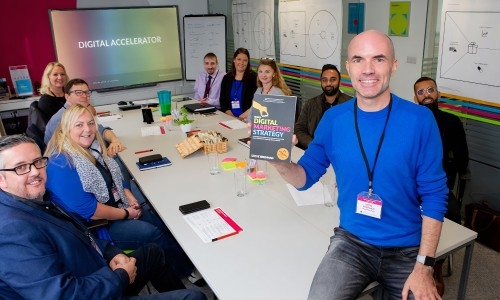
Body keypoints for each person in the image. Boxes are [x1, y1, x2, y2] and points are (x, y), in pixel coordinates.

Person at [271, 30, 448, 300]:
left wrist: (424, 267)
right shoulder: (334, 120)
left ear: (394, 65)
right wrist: (278, 161)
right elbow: (304, 178)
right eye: (358, 59)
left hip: (407, 249)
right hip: (352, 243)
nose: (368, 69)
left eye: (378, 59)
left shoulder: (420, 120)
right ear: (348, 67)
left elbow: (435, 195)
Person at [0, 135, 206, 300]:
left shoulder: (31, 199)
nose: (35, 172)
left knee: (154, 252)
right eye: (20, 167)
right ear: (1, 178)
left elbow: (80, 234)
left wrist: (111, 252)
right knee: (194, 296)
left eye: (37, 161)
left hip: (98, 271)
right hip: (95, 289)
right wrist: (119, 277)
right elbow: (62, 295)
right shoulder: (10, 230)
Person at [44, 104, 198, 280]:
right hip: (98, 228)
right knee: (153, 233)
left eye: (90, 123)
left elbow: (115, 175)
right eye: (79, 125)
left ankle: (184, 263)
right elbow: (90, 211)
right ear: (66, 129)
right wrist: (126, 213)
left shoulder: (92, 147)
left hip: (116, 206)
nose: (87, 129)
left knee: (160, 219)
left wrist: (130, 198)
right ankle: (185, 271)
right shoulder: (61, 163)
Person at [413, 76, 470, 296]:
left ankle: (435, 266)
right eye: (421, 92)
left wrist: (440, 170)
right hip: (412, 185)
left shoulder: (452, 121)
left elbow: (462, 159)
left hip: (440, 186)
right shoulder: (411, 121)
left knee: (452, 215)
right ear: (415, 97)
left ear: (437, 93)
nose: (426, 94)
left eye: (430, 90)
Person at [44, 78, 125, 157]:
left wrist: (114, 140)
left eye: (87, 92)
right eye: (78, 92)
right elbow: (64, 153)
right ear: (67, 96)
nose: (84, 96)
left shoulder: (81, 113)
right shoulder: (61, 119)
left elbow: (101, 130)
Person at [294, 64, 352, 149]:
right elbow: (299, 129)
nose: (328, 83)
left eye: (333, 80)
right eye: (325, 80)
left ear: (340, 81)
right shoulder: (310, 104)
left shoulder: (351, 104)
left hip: (341, 153)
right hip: (315, 152)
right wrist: (313, 145)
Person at [219, 48, 257, 120]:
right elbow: (222, 100)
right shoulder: (227, 78)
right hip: (229, 118)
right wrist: (232, 117)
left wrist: (242, 117)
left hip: (247, 119)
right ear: (234, 60)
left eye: (245, 60)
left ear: (248, 62)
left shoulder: (254, 78)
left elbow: (256, 102)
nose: (241, 63)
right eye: (239, 59)